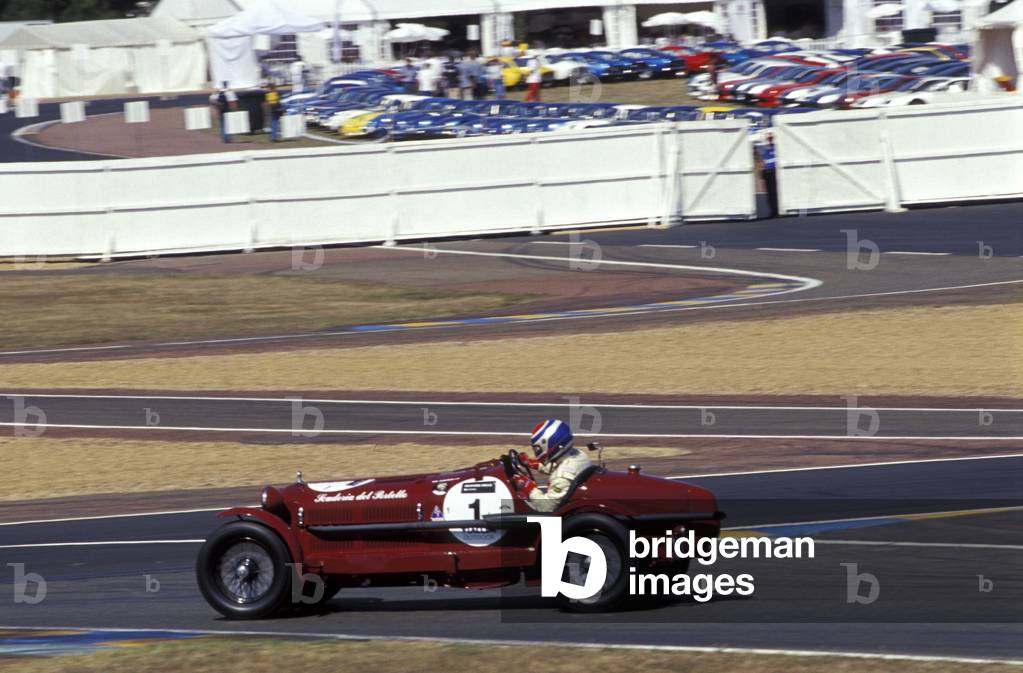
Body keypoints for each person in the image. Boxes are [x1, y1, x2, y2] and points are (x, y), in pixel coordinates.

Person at [513, 419, 593, 512]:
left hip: (560, 519)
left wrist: (528, 488)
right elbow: (559, 468)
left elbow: (545, 507)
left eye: (538, 449)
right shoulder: (578, 455)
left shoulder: (562, 478)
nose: (537, 452)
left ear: (550, 445)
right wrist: (534, 464)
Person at [756, 131, 778, 218]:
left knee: (776, 192)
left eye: (771, 138)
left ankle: (776, 210)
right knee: (771, 193)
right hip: (768, 172)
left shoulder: (777, 147)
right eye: (769, 138)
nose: (770, 140)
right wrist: (761, 173)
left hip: (776, 171)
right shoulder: (763, 149)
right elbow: (760, 161)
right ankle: (773, 210)